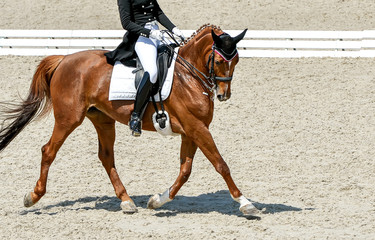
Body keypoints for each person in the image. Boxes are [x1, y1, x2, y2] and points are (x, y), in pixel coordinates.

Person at [105, 0, 184, 136]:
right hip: (141, 37)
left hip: (157, 34)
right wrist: (149, 33)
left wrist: (174, 28)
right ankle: (136, 116)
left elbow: (158, 12)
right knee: (152, 72)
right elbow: (126, 23)